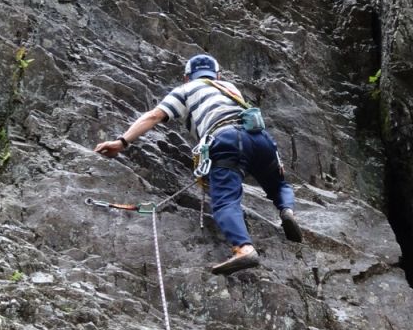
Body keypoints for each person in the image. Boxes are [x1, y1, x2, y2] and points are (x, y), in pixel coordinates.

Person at [95, 53, 302, 274]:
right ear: (218, 74)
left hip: (226, 139)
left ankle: (243, 248)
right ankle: (286, 211)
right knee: (278, 184)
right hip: (261, 139)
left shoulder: (185, 90)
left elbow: (153, 116)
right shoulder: (231, 88)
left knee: (225, 201)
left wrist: (122, 141)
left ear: (187, 77)